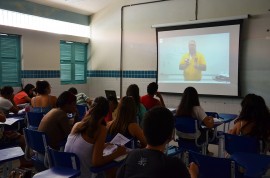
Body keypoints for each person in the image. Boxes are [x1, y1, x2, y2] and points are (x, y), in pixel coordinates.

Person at [117, 107, 199, 178]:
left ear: (144, 132)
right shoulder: (175, 165)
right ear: (170, 136)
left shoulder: (131, 156)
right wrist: (193, 173)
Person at [64, 96, 126, 178]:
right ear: (106, 113)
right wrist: (117, 153)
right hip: (84, 174)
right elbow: (96, 162)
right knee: (113, 169)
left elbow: (85, 145)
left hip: (67, 173)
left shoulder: (77, 125)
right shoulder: (101, 129)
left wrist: (103, 145)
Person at [175, 87, 214, 153]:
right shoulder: (197, 109)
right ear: (195, 97)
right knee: (208, 131)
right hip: (194, 138)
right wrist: (212, 120)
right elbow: (209, 125)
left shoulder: (179, 109)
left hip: (181, 136)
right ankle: (205, 151)